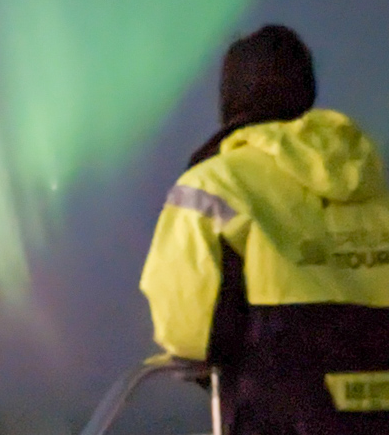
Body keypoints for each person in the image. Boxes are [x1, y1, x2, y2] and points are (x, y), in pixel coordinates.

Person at [140, 24, 389, 435]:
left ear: (231, 98)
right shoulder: (374, 183)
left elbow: (188, 328)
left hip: (282, 417)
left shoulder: (214, 186)